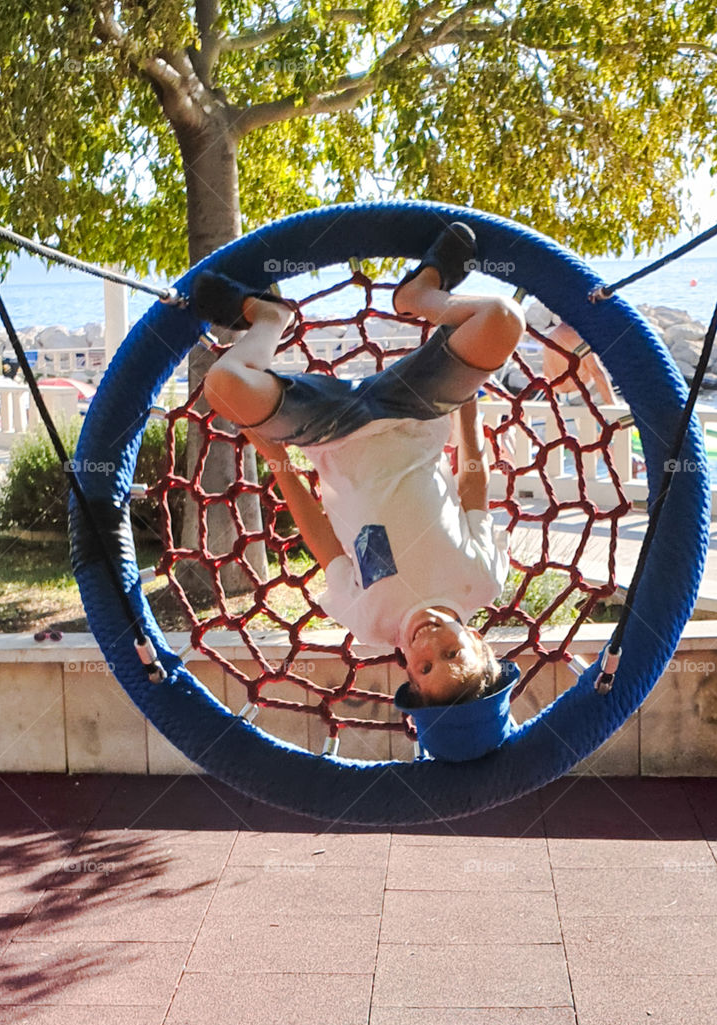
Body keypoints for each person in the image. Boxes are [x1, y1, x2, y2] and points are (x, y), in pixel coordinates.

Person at [192, 223, 524, 761]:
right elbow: (472, 482)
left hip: (329, 430)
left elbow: (322, 538)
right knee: (504, 319)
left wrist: (276, 458)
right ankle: (421, 296)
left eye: (424, 665)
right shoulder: (479, 580)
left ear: (409, 677)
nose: (429, 642)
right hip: (415, 411)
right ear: (480, 642)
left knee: (223, 387)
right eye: (451, 650)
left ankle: (270, 318)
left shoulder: (369, 616)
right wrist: (467, 399)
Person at [542, 320, 619, 405]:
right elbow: (596, 372)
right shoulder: (578, 337)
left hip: (562, 398)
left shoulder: (551, 336)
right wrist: (613, 404)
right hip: (584, 394)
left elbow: (547, 374)